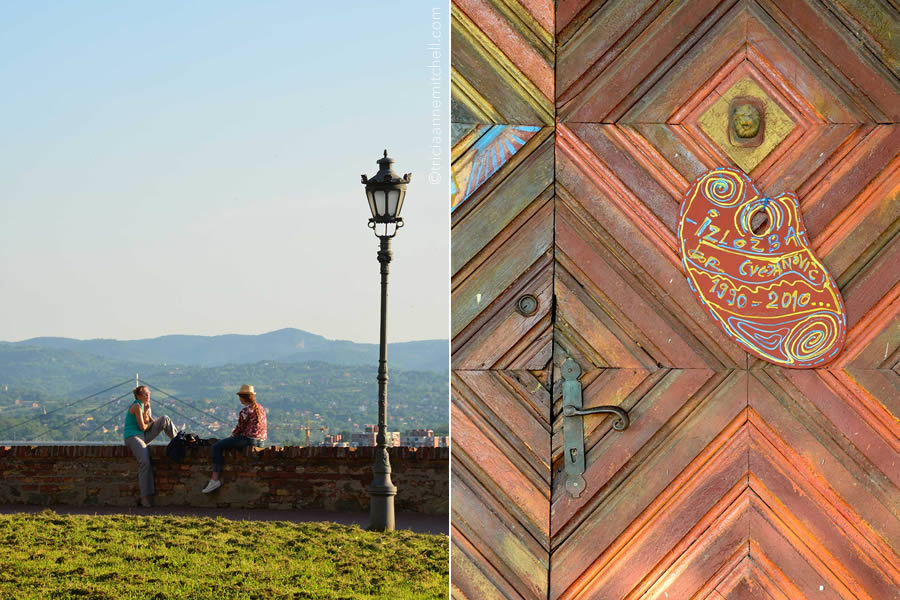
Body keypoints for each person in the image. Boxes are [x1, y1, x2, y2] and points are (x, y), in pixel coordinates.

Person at [202, 384, 267, 493]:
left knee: (217, 446)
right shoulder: (260, 408)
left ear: (242, 397)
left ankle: (214, 479)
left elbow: (239, 430)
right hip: (261, 442)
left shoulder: (245, 411)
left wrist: (229, 439)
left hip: (249, 440)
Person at [123, 385, 178, 507]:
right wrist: (148, 420)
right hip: (133, 436)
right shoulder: (137, 406)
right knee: (145, 463)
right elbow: (142, 427)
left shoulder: (146, 406)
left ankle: (178, 441)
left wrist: (148, 412)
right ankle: (145, 498)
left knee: (165, 419)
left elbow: (152, 423)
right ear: (138, 396)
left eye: (149, 393)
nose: (148, 396)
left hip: (143, 435)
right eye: (145, 394)